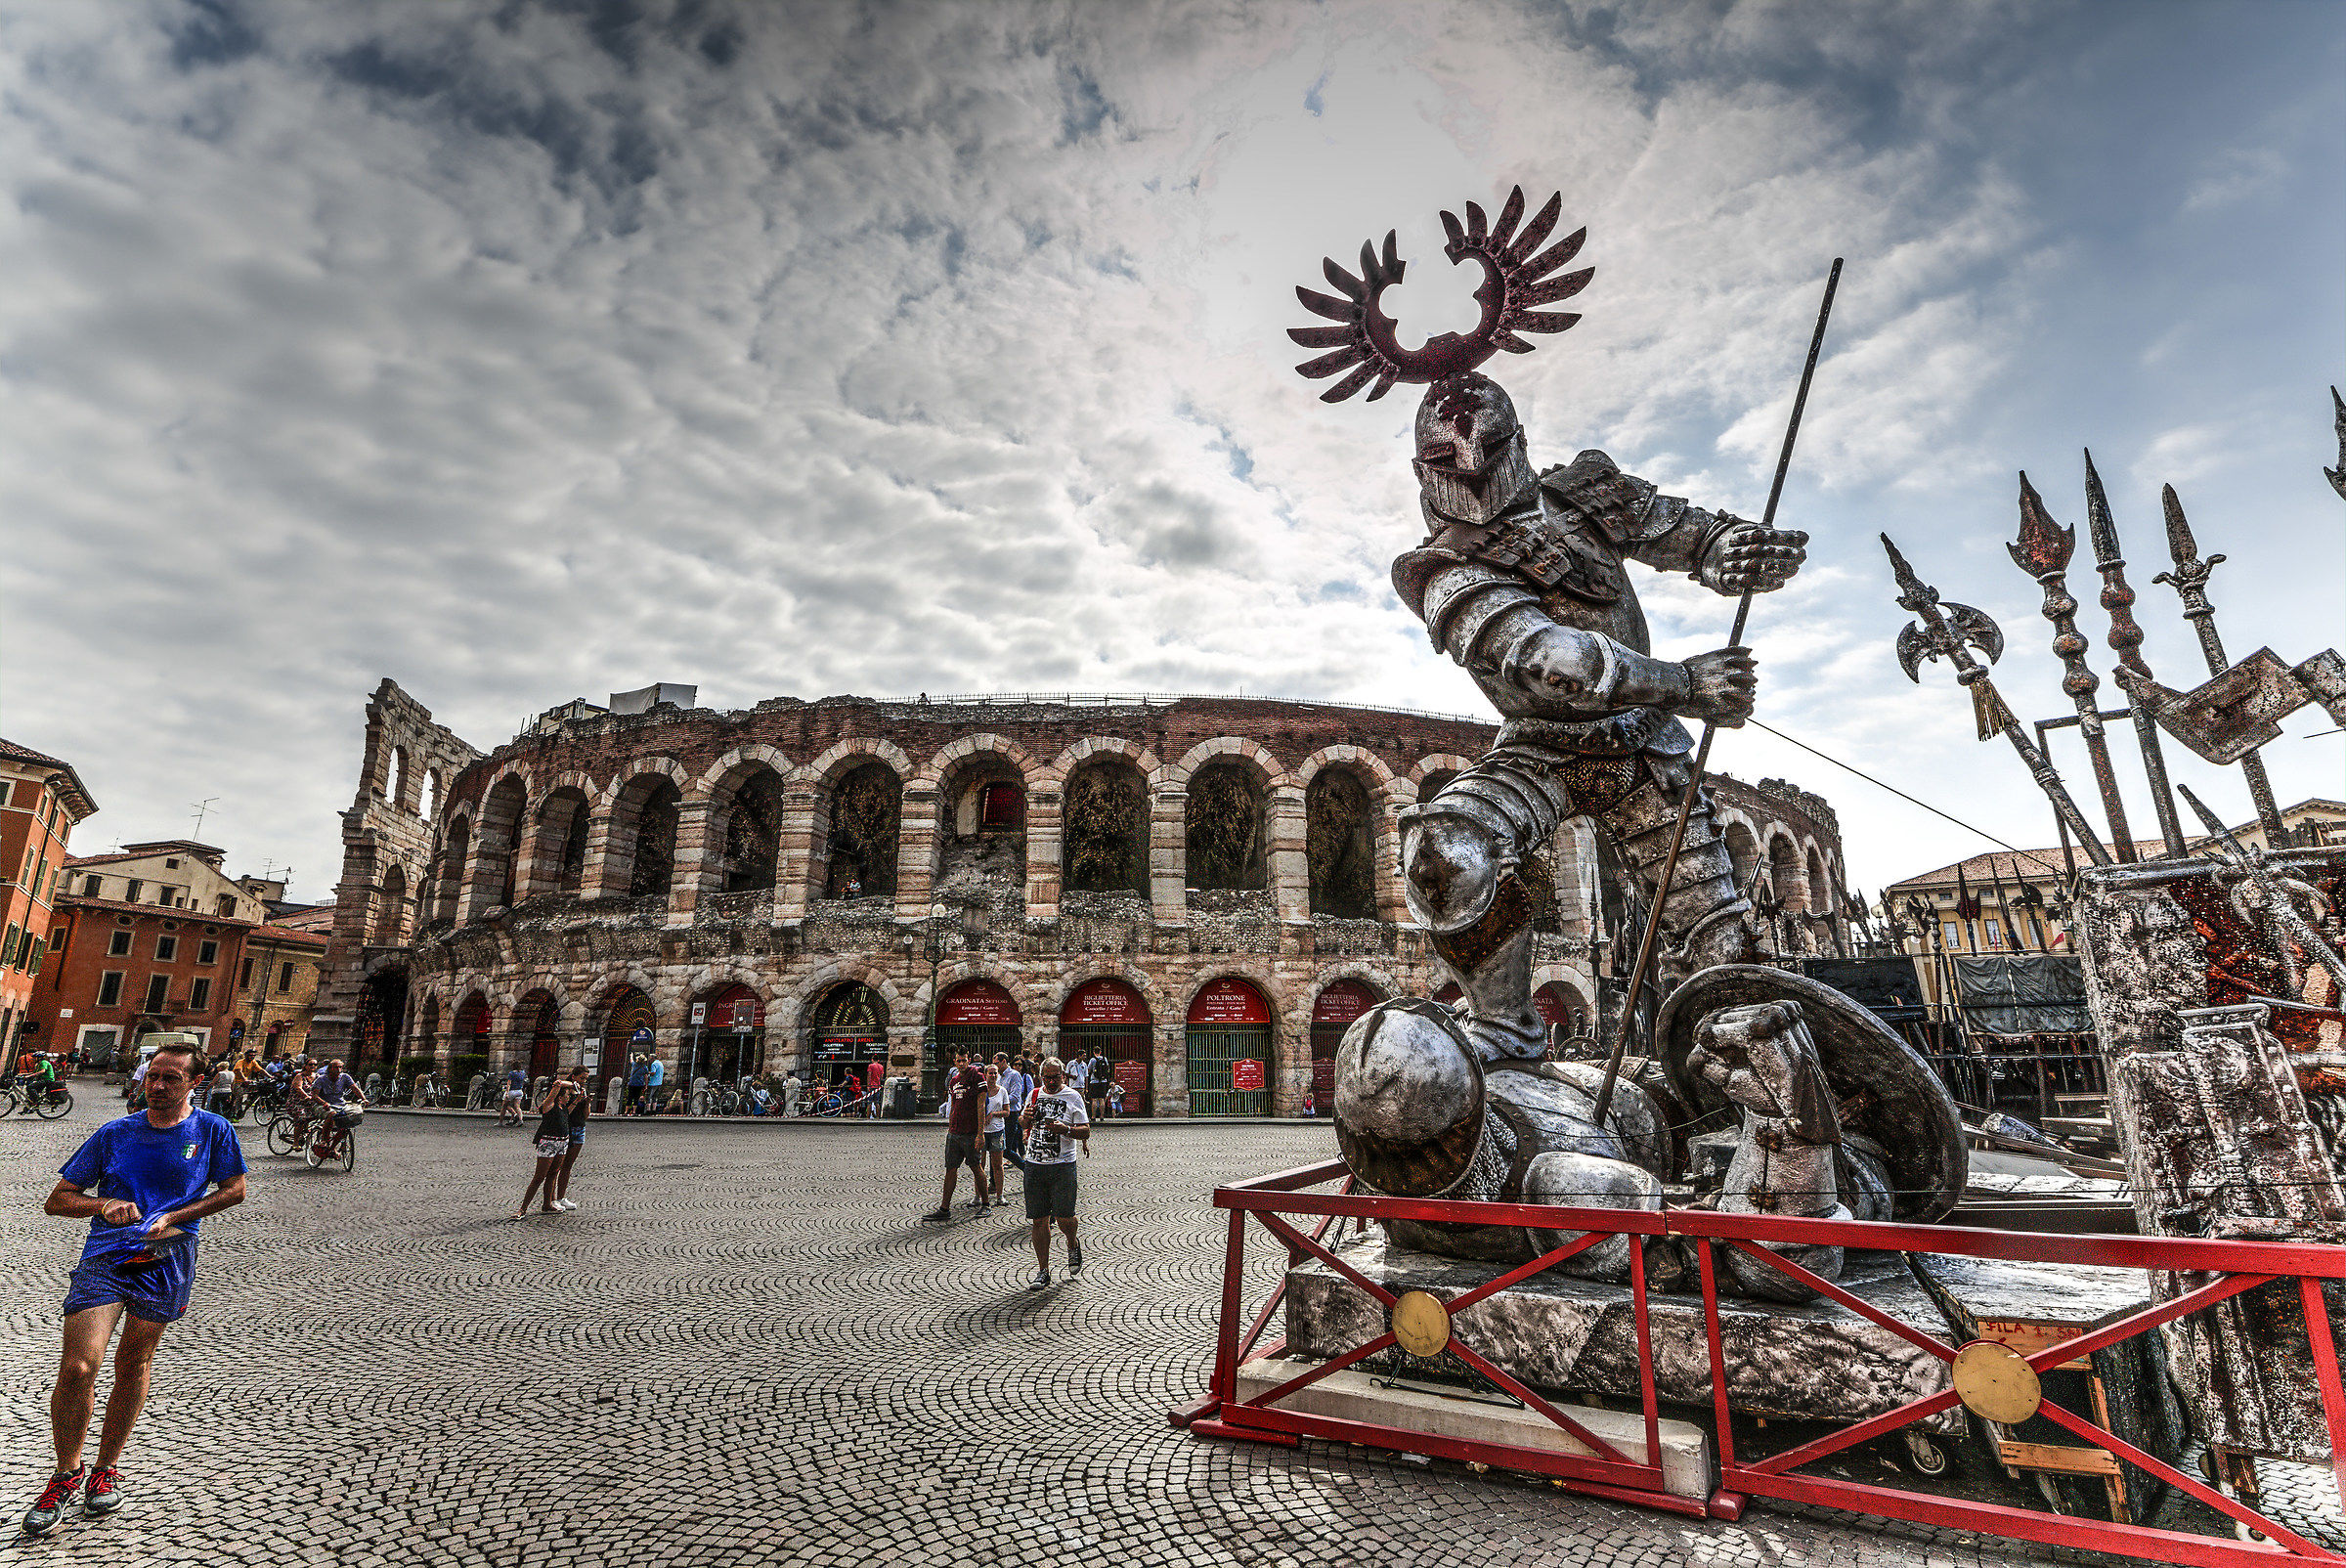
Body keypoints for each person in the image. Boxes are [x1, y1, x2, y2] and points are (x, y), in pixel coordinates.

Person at [22, 1038, 244, 1536]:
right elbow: (57, 1200)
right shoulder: (115, 1133)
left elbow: (234, 1190)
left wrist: (177, 1216)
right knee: (80, 1365)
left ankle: (106, 1469)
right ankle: (66, 1474)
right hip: (106, 1258)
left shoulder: (213, 1131)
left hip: (166, 1259)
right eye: (153, 1076)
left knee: (134, 1362)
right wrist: (103, 1205)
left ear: (195, 1082)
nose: (158, 1086)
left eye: (171, 1078)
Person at [1019, 1057, 1090, 1288]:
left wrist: (1066, 1129)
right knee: (1039, 1220)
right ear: (1041, 1076)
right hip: (1035, 1164)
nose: (1050, 1081)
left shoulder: (1073, 1097)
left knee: (1064, 1218)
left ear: (1063, 1076)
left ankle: (1072, 1243)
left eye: (1055, 1077)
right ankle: (1043, 1271)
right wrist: (1024, 1120)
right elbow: (1022, 1121)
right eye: (1046, 1077)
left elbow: (1086, 1131)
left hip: (1063, 1165)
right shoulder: (1035, 1094)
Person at [922, 1053, 987, 1222]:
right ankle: (944, 1208)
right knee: (951, 1168)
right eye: (959, 1061)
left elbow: (981, 1107)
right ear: (954, 1062)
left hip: (971, 1131)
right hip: (955, 1132)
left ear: (968, 1060)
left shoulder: (977, 1077)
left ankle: (985, 1204)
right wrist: (950, 1127)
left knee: (975, 1166)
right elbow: (953, 1106)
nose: (962, 1063)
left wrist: (980, 1134)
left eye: (964, 1060)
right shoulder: (953, 1081)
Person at [511, 1080, 579, 1219]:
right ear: (559, 1097)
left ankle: (547, 1204)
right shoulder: (549, 1106)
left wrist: (578, 1099)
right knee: (539, 1177)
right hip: (549, 1143)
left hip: (562, 1143)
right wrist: (562, 1086)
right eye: (566, 1095)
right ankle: (522, 1209)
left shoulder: (563, 1107)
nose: (568, 1097)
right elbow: (559, 1086)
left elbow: (571, 1105)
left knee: (553, 1173)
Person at [550, 1067, 590, 1212]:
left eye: (586, 1078)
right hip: (567, 1128)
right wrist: (576, 1099)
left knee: (567, 1166)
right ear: (573, 1077)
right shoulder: (565, 1091)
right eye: (582, 1078)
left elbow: (586, 1116)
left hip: (580, 1128)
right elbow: (564, 1113)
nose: (584, 1081)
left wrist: (586, 1103)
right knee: (556, 1166)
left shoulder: (583, 1091)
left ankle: (561, 1197)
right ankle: (552, 1199)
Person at [978, 1064, 1014, 1207]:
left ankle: (1000, 1195)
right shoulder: (981, 1091)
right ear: (985, 1074)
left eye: (995, 1073)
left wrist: (993, 1114)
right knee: (979, 1165)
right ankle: (978, 1195)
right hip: (982, 1131)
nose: (993, 1076)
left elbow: (1007, 1112)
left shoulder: (1002, 1091)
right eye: (990, 1073)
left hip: (997, 1130)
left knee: (997, 1165)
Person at [994, 1053, 1029, 1170]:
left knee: (1005, 1149)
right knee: (998, 1149)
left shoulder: (1014, 1075)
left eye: (996, 1063)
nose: (995, 1066)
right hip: (1000, 1115)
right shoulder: (998, 1076)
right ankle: (994, 1181)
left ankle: (1026, 1168)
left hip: (1011, 1114)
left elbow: (1015, 1096)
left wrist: (999, 1101)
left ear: (1004, 1061)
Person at [1087, 1051, 1113, 1119]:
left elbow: (1088, 1070)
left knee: (1094, 1100)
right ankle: (1102, 1116)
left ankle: (1093, 1116)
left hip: (1094, 1082)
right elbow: (1108, 1069)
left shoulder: (1092, 1060)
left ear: (1093, 1052)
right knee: (1102, 1099)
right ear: (1100, 1052)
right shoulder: (1105, 1059)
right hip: (1103, 1081)